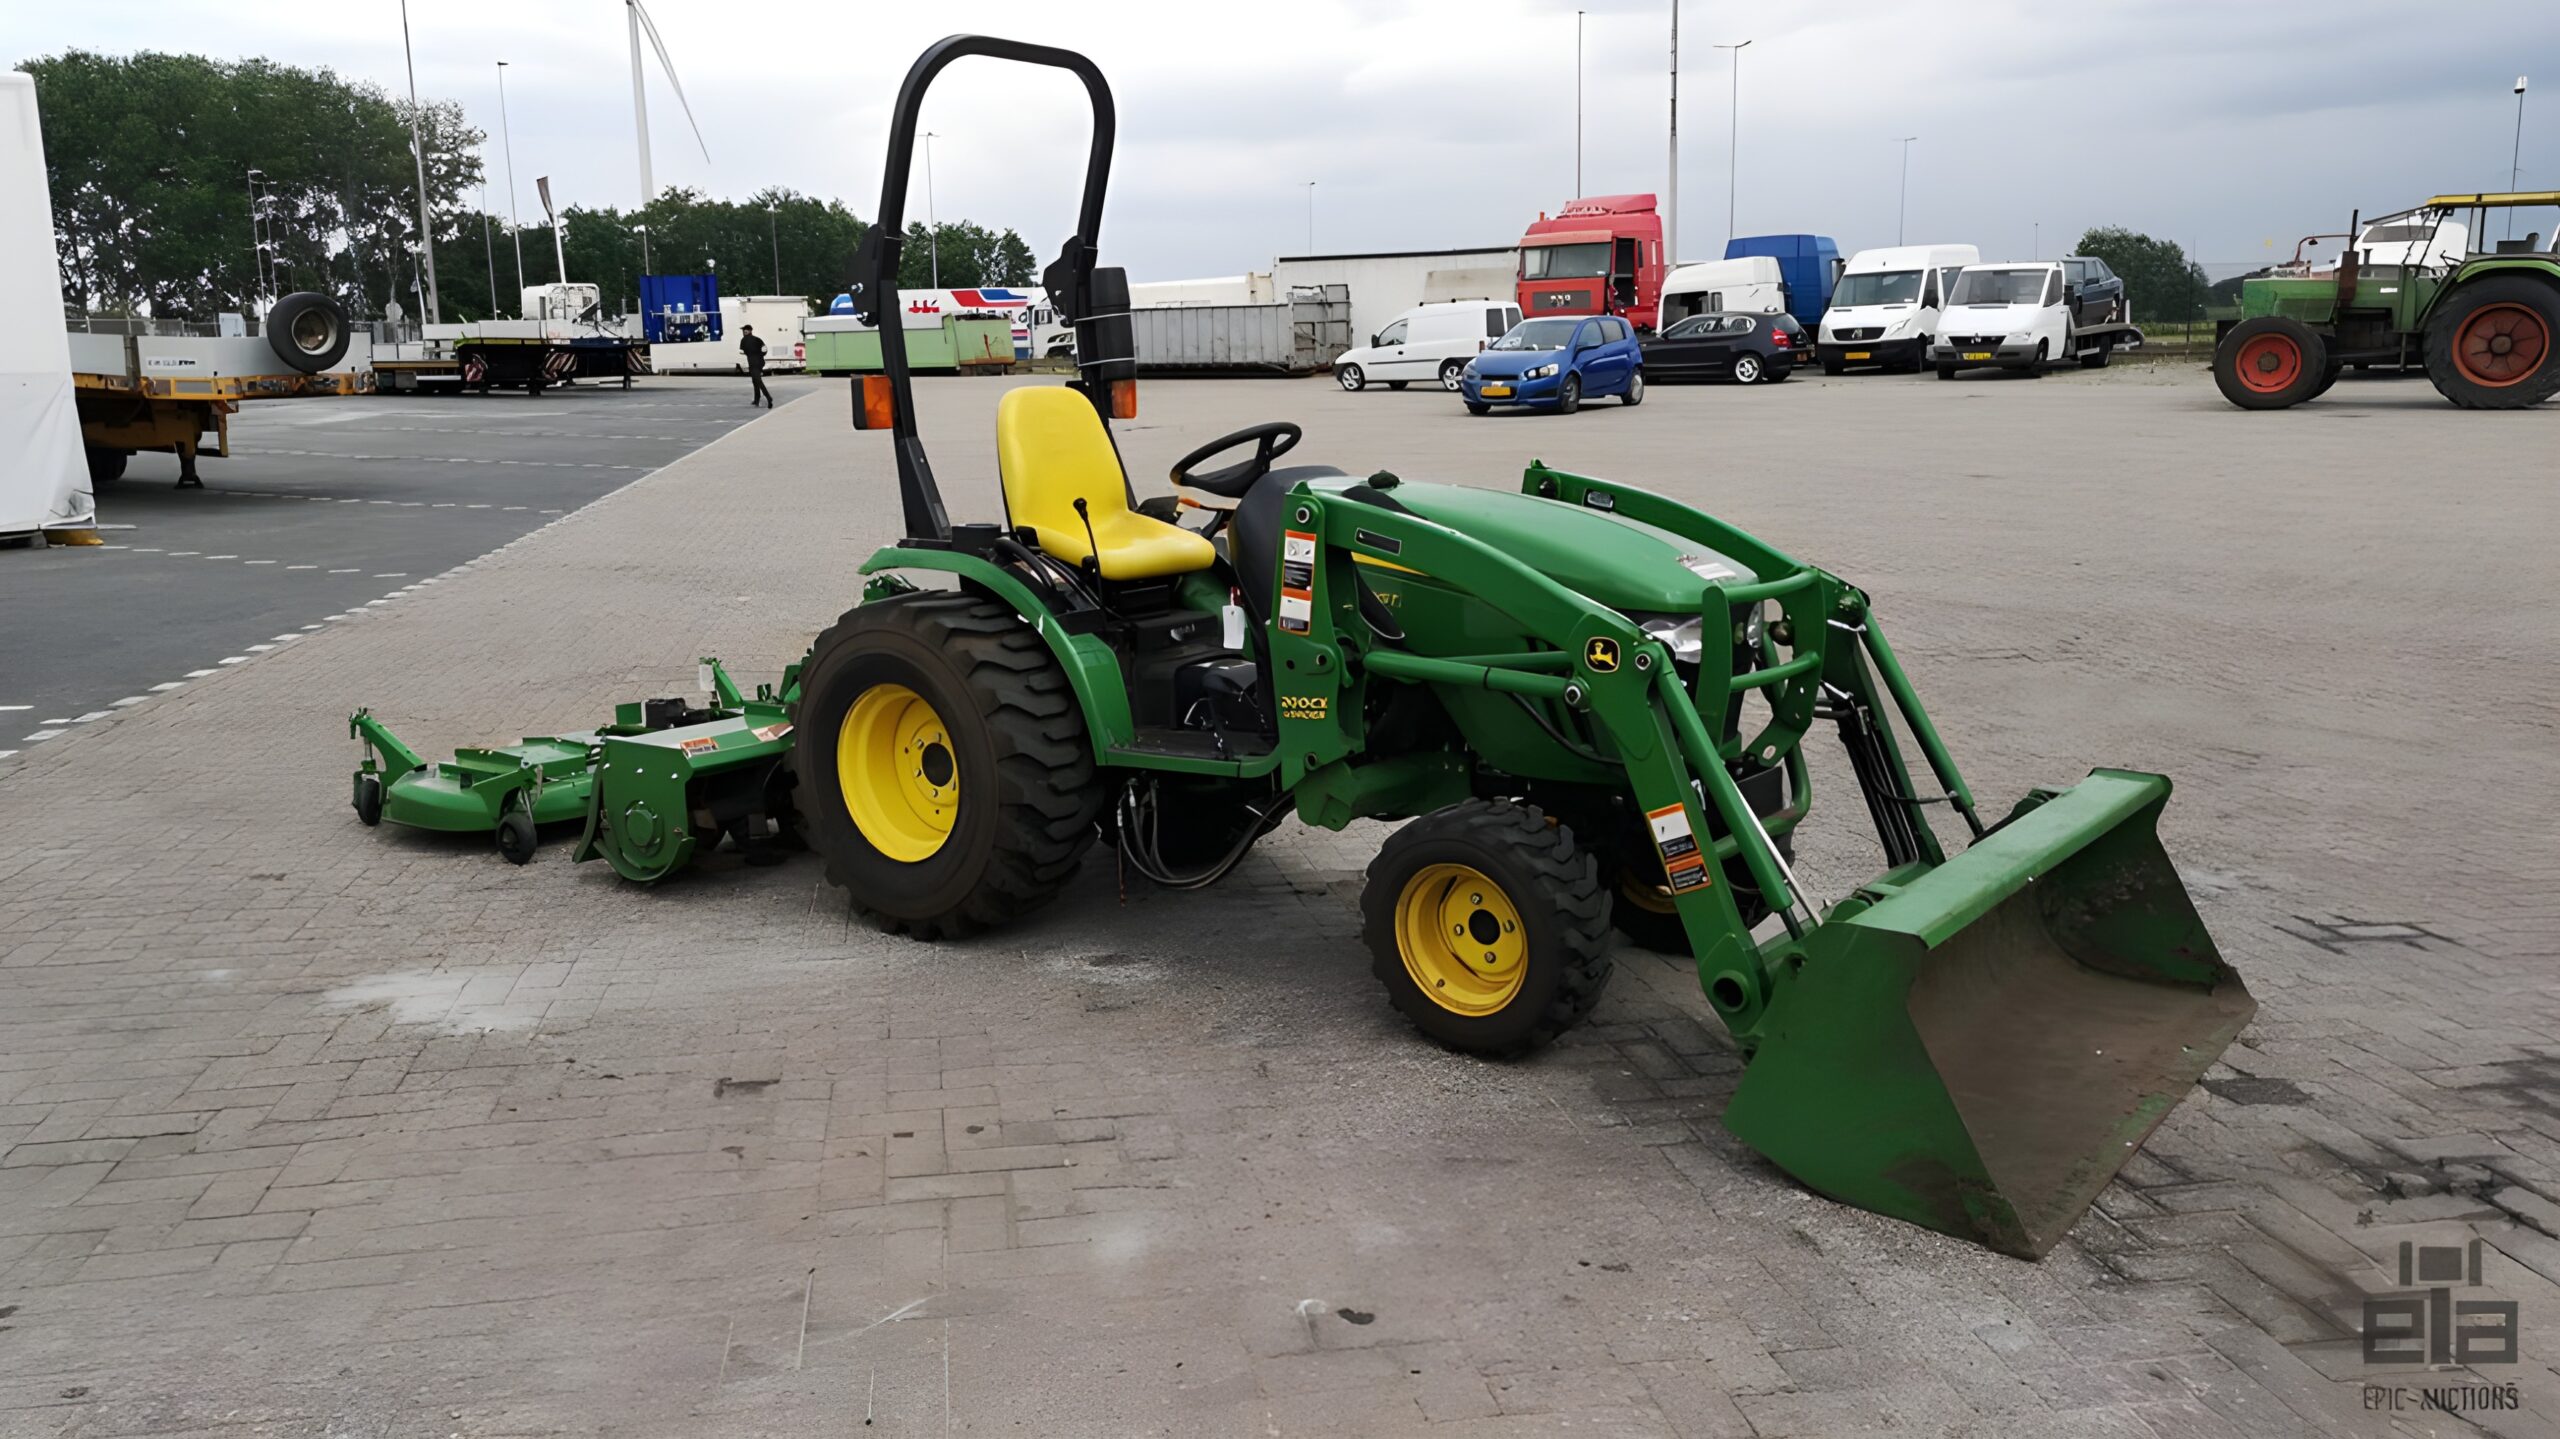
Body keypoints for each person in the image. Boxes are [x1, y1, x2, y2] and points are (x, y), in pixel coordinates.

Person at [740, 324, 773, 408]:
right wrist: (760, 355)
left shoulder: (743, 340)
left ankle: (768, 397)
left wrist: (750, 354)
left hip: (752, 362)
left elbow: (743, 351)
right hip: (760, 361)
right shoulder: (758, 339)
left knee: (758, 381)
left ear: (748, 331)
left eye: (744, 330)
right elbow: (765, 349)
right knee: (755, 380)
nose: (743, 332)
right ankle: (756, 399)